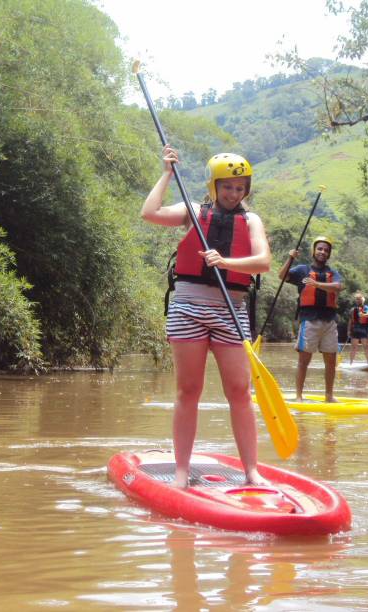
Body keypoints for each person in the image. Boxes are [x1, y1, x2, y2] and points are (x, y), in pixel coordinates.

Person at [141, 145, 272, 488]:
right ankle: (181, 471)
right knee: (189, 390)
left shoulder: (252, 219)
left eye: (240, 188)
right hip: (188, 308)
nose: (233, 193)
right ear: (214, 185)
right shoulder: (193, 210)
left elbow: (263, 262)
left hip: (231, 310)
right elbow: (150, 213)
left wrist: (227, 263)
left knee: (240, 392)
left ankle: (252, 471)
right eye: (227, 186)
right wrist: (167, 173)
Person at [278, 237, 343, 402]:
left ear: (329, 254)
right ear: (314, 251)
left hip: (329, 321)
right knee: (303, 361)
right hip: (309, 320)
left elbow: (338, 287)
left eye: (326, 250)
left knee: (331, 361)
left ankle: (329, 396)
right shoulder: (302, 270)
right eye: (320, 249)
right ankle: (299, 396)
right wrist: (290, 258)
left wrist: (316, 284)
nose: (323, 252)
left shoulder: (332, 273)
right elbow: (282, 276)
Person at [347, 291, 368, 364]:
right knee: (354, 347)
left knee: (366, 347)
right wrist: (348, 331)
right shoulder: (353, 310)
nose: (358, 300)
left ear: (362, 300)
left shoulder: (366, 308)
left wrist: (363, 315)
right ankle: (351, 363)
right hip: (355, 329)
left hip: (364, 328)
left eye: (359, 299)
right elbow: (350, 321)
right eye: (357, 299)